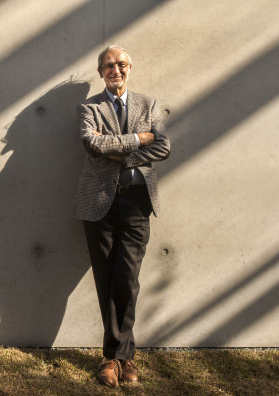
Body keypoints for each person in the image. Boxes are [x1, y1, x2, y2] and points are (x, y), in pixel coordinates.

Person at [71, 44, 170, 387]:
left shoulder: (149, 105)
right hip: (98, 202)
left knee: (126, 278)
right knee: (106, 277)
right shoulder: (90, 108)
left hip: (136, 204)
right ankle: (122, 359)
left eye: (122, 64)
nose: (116, 69)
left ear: (130, 67)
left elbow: (162, 147)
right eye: (109, 65)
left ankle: (113, 356)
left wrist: (118, 149)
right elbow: (92, 144)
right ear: (101, 72)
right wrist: (136, 141)